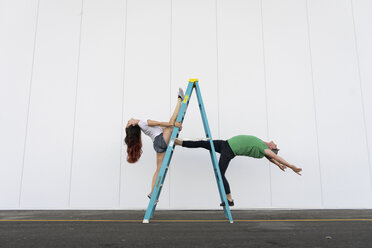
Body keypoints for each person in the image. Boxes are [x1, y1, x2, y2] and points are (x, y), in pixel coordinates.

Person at [175, 135, 302, 206]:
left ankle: (229, 199)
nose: (275, 144)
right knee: (203, 143)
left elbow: (274, 156)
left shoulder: (265, 149)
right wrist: (278, 165)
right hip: (225, 143)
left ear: (271, 148)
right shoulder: (264, 146)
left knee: (220, 174)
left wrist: (291, 166)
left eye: (276, 146)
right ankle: (180, 143)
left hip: (229, 150)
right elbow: (271, 159)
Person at [125, 88, 184, 198]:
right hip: (160, 140)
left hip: (157, 144)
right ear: (133, 124)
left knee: (158, 170)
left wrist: (173, 127)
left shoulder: (142, 125)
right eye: (128, 122)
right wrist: (173, 125)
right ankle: (180, 100)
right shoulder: (142, 122)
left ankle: (152, 192)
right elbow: (162, 123)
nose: (129, 120)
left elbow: (160, 126)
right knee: (171, 121)